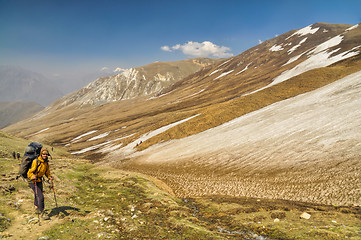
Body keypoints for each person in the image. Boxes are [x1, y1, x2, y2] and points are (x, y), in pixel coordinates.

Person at [27, 147, 53, 220]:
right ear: (41, 154)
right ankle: (41, 211)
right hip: (32, 181)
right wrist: (32, 176)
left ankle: (36, 206)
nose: (45, 155)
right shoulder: (36, 161)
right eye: (44, 154)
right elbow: (30, 172)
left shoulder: (46, 162)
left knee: (37, 194)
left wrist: (49, 177)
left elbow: (47, 172)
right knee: (40, 196)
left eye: (46, 154)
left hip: (39, 180)